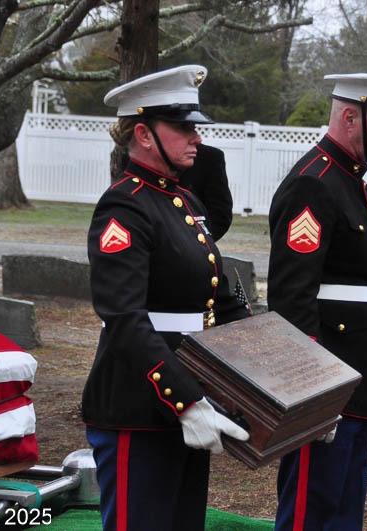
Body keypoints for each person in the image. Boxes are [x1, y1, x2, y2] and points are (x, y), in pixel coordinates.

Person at [81, 65, 251, 531]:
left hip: (190, 396)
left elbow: (220, 294)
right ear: (143, 134)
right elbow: (124, 317)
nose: (197, 137)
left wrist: (283, 374)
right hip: (140, 403)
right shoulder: (124, 206)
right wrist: (185, 401)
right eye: (183, 127)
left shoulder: (185, 202)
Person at [267, 73, 367, 531]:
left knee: (343, 511)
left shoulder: (347, 179)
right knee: (310, 512)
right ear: (351, 116)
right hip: (326, 381)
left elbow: (349, 272)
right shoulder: (313, 183)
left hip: (354, 379)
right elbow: (291, 296)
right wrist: (312, 393)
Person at [178, 143, 233, 241]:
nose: (197, 139)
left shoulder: (209, 157)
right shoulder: (148, 158)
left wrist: (196, 243)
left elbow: (220, 215)